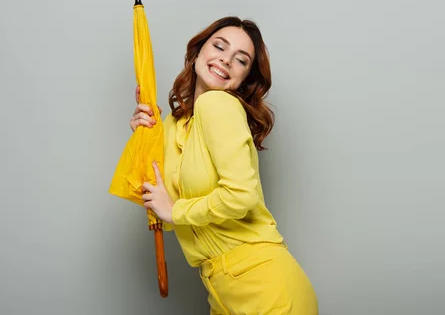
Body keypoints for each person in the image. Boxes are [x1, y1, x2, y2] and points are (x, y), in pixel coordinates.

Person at [129, 16, 318, 314]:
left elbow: (240, 196)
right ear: (198, 53)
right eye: (219, 46)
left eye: (241, 60)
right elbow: (163, 212)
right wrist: (145, 136)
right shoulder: (176, 124)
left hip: (264, 286)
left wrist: (175, 211)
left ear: (244, 79)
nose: (226, 60)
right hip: (221, 291)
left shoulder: (218, 105)